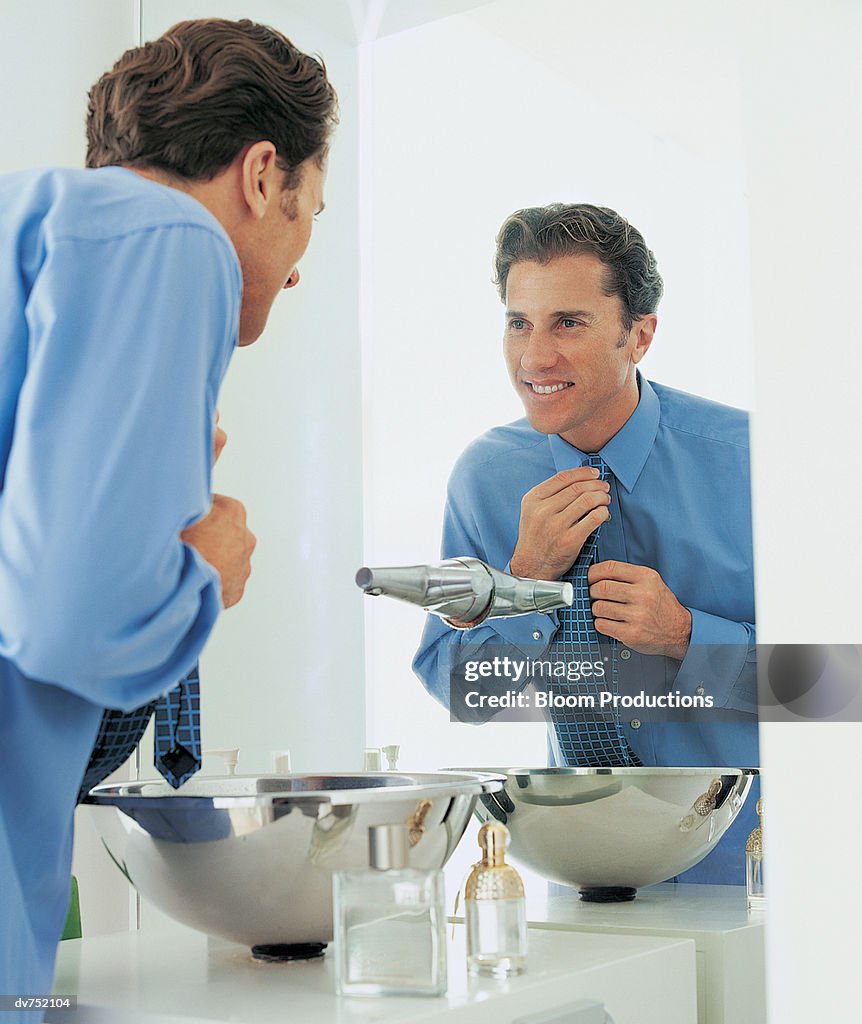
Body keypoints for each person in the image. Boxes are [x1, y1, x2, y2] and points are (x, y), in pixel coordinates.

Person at [0, 18, 336, 1012]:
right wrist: (201, 567)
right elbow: (69, 617)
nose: (300, 257)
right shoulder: (173, 236)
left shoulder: (37, 222)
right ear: (263, 174)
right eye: (310, 209)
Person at [413, 203, 759, 884]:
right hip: (586, 875)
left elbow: (837, 686)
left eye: (568, 323)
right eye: (520, 323)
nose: (535, 357)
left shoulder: (751, 463)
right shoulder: (486, 478)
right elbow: (462, 692)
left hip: (754, 874)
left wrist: (689, 638)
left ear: (639, 336)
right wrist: (524, 585)